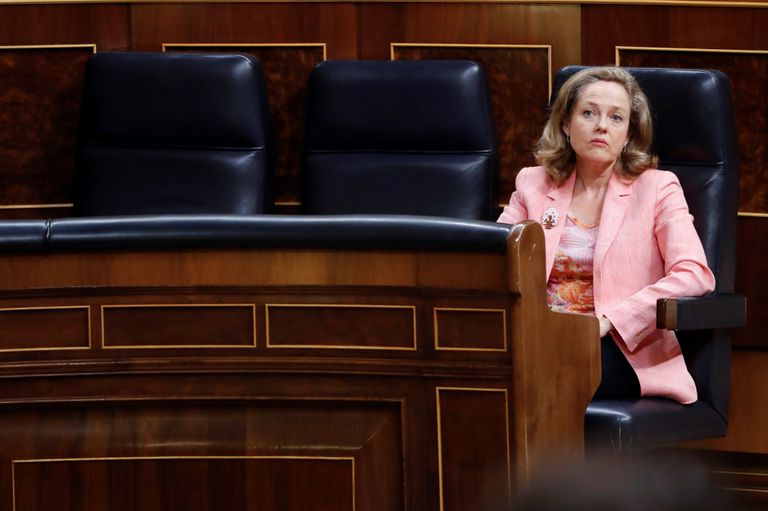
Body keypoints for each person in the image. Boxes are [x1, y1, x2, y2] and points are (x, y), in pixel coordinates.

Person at [497, 66, 715, 404]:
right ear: (566, 125)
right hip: (537, 338)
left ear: (628, 133)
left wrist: (610, 321)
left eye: (616, 118)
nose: (602, 125)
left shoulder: (658, 188)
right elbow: (494, 255)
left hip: (619, 348)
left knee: (539, 377)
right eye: (589, 113)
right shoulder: (533, 183)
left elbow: (694, 274)